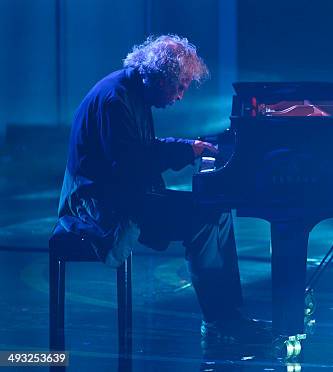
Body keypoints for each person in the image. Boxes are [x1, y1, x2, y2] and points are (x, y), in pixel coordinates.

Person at [56, 34, 263, 341]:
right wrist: (186, 150)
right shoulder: (115, 99)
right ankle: (221, 322)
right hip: (100, 207)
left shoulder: (130, 92)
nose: (181, 95)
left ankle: (230, 315)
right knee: (204, 219)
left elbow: (138, 153)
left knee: (216, 209)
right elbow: (131, 164)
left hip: (122, 194)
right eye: (179, 86)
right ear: (160, 76)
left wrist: (189, 146)